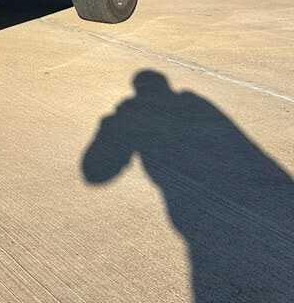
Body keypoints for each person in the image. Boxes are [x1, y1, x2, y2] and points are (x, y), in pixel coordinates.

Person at [82, 70, 294, 302]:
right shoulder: (195, 102)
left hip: (194, 220)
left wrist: (112, 125)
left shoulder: (128, 114)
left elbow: (96, 173)